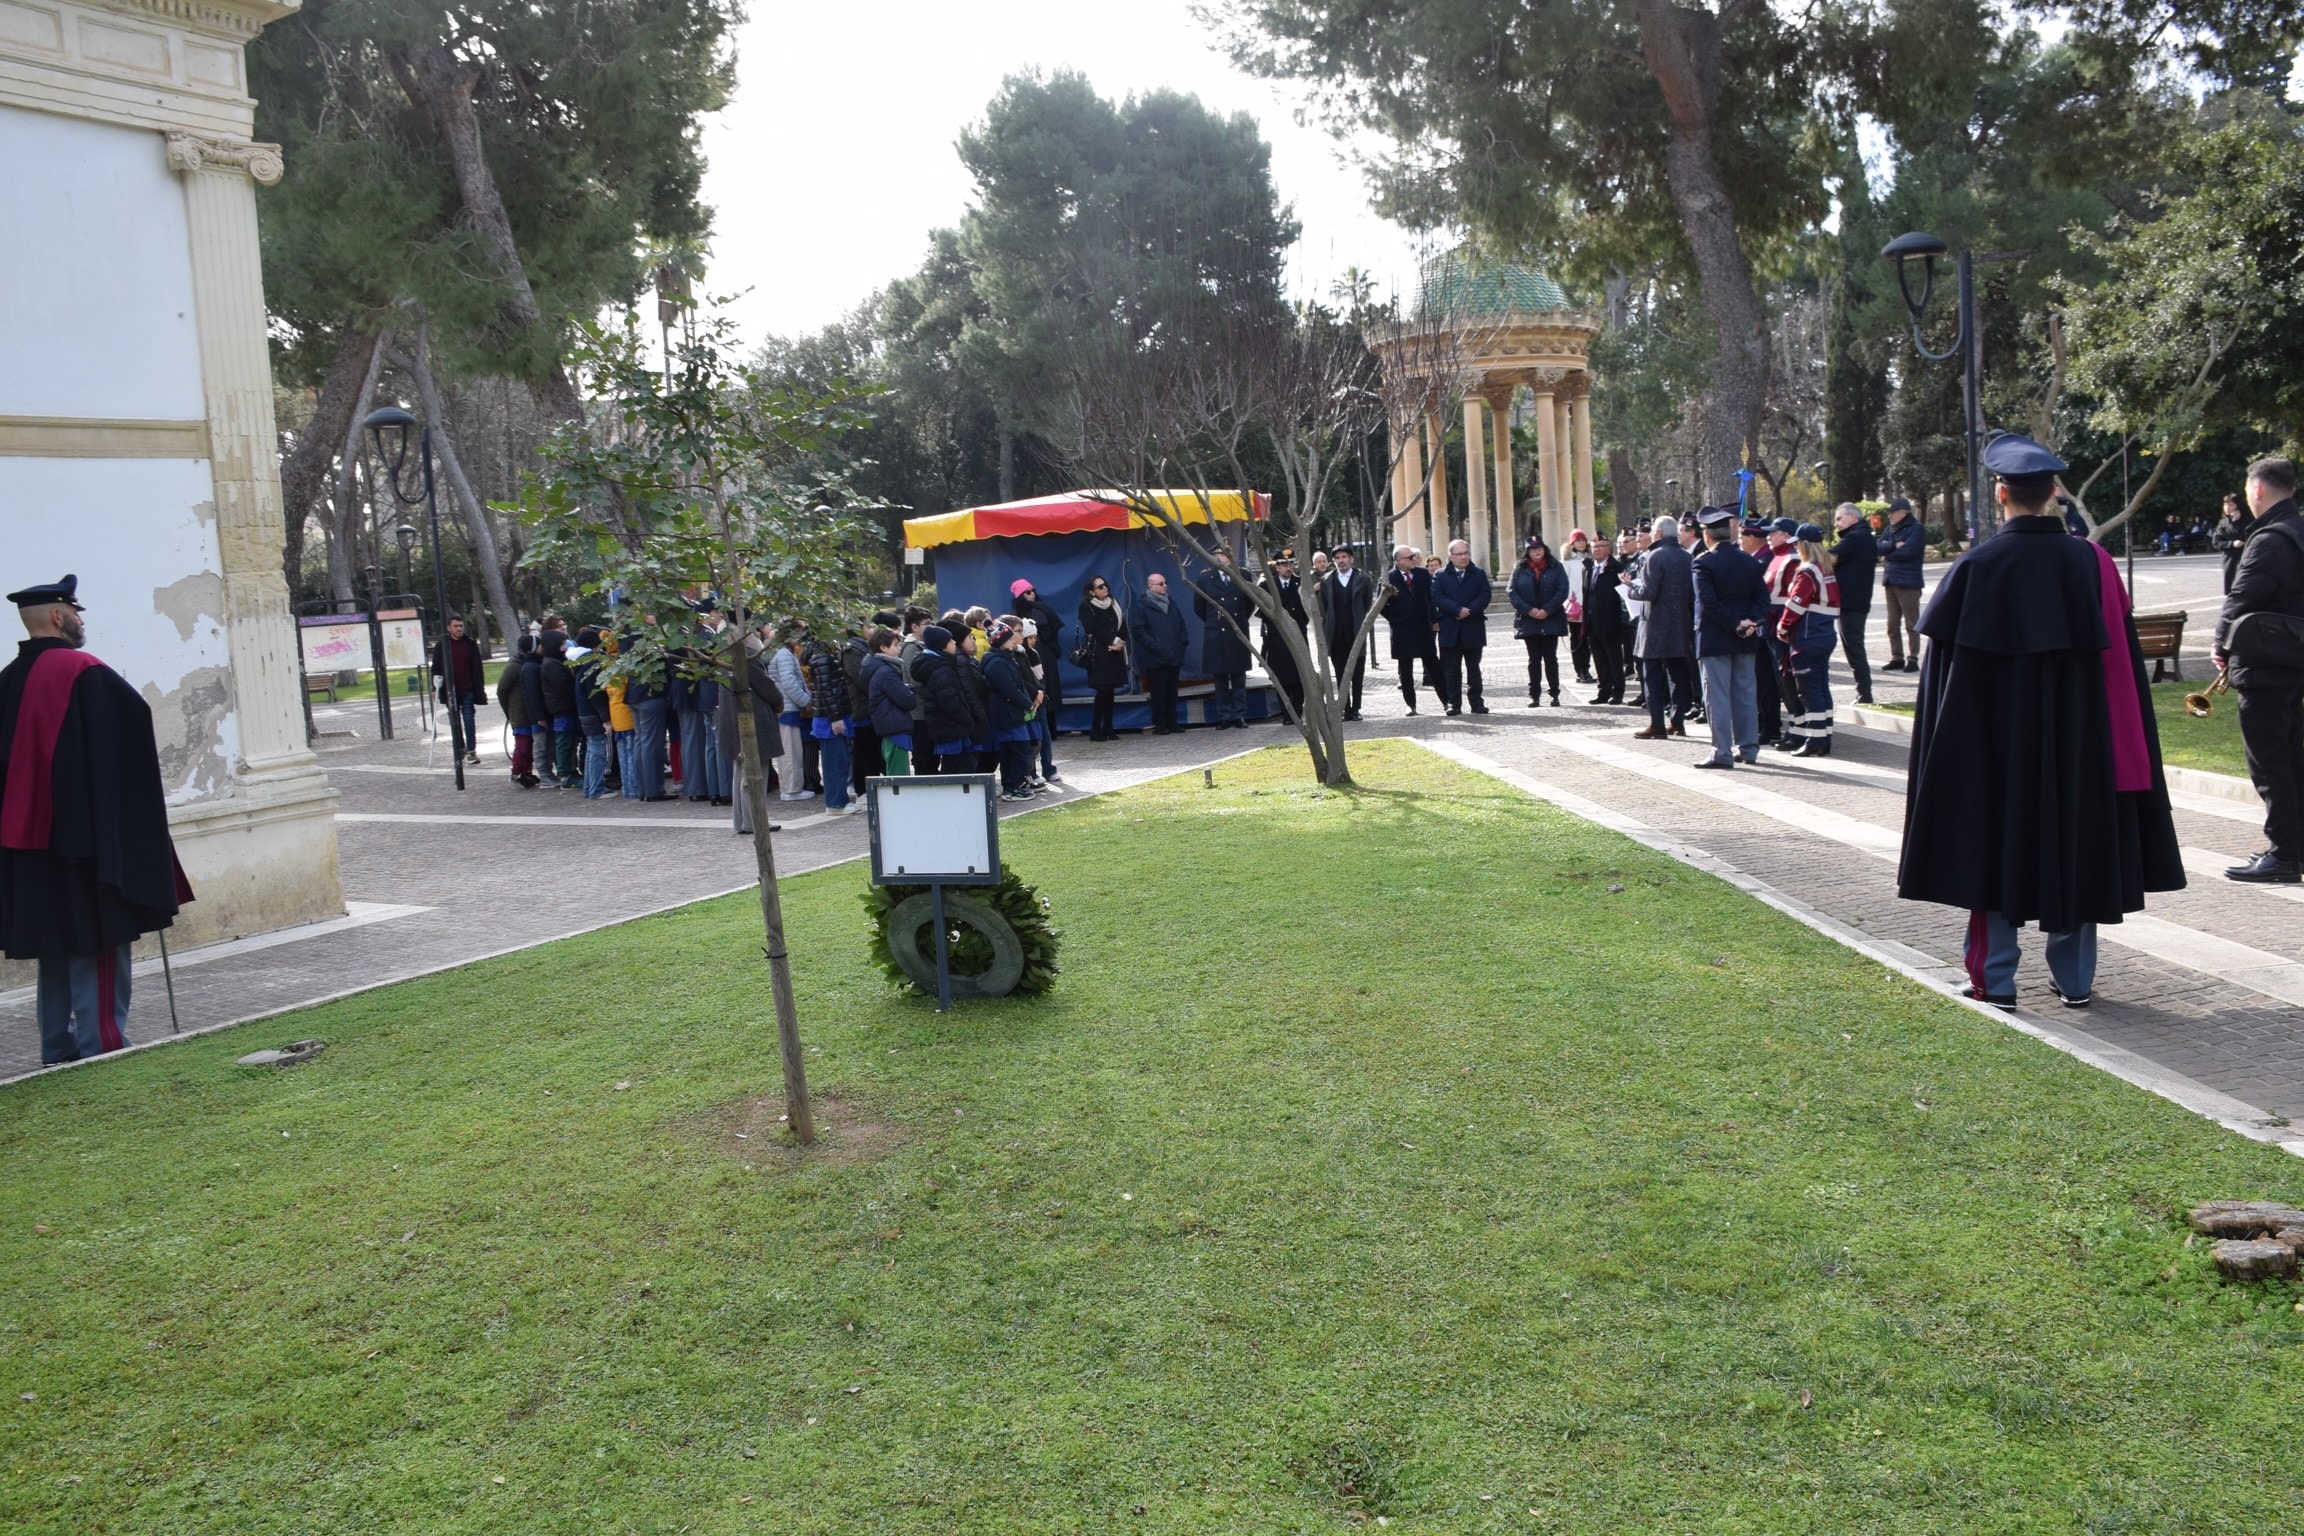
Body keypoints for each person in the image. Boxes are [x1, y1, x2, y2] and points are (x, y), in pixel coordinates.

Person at [1899, 433, 2183, 1009]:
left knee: (1993, 847)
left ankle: (1995, 980)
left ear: (2000, 494)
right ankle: (2074, 980)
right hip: (2079, 744)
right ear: (2054, 493)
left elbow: (1945, 686)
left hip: (1997, 752)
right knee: (2076, 841)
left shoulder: (1975, 567)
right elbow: (2120, 665)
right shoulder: (2093, 563)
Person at [0, 575, 191, 1065]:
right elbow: (126, 751)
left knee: (56, 945)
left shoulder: (6, 681)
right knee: (99, 942)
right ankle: (102, 1045)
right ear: (58, 616)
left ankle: (56, 1048)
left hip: (27, 847)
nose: (80, 622)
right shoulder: (84, 672)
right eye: (75, 613)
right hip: (84, 845)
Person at [2215, 457, 2304, 882]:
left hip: (2264, 663)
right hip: (2294, 659)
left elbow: (2241, 598)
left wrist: (2219, 644)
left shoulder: (2267, 539)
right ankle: (2294, 847)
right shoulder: (2298, 530)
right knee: (2291, 756)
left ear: (2257, 490)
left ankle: (2283, 854)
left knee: (2269, 763)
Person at [1690, 507, 1768, 768]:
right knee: (1745, 696)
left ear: (1707, 536)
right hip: (1745, 637)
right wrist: (1750, 622)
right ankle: (1748, 749)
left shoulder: (1703, 563)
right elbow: (1762, 598)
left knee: (1718, 698)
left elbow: (1708, 603)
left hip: (1715, 638)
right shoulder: (1749, 561)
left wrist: (1736, 624)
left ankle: (1721, 751)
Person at [1776, 522, 1842, 757]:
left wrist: (1783, 626)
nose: (1795, 549)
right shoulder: (1825, 568)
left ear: (1804, 545)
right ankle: (1823, 737)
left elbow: (1796, 603)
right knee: (1821, 688)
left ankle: (1815, 740)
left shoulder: (1807, 571)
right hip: (1824, 634)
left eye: (1797, 544)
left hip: (1807, 636)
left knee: (1809, 690)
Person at [1628, 514, 1694, 738]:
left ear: (1658, 533)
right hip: (1680, 624)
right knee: (1678, 676)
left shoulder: (1654, 556)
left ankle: (1656, 723)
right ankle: (1677, 721)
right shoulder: (1686, 556)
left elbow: (1649, 591)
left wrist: (1630, 588)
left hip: (1654, 626)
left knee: (1652, 676)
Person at [723, 622, 784, 834]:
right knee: (755, 772)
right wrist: (779, 702)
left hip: (734, 719)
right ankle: (754, 820)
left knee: (740, 771)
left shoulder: (724, 655)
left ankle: (743, 820)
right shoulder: (746, 655)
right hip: (753, 718)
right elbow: (765, 685)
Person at [982, 618, 1043, 799]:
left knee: (1012, 752)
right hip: (1007, 714)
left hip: (1011, 713)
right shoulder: (997, 663)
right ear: (1001, 641)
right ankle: (1014, 786)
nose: (1014, 640)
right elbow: (1010, 689)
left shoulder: (1007, 659)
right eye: (1009, 638)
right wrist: (1027, 704)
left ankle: (1011, 787)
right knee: (1021, 751)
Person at [1195, 545, 1254, 729]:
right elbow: (1199, 608)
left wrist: (1238, 622)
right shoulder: (1205, 578)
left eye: (1227, 553)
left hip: (1237, 632)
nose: (1225, 557)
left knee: (1239, 677)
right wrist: (1216, 622)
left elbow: (1249, 604)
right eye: (1221, 554)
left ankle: (1239, 714)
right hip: (1216, 633)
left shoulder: (1243, 575)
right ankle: (1224, 715)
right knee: (1220, 679)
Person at [1431, 539, 1492, 715]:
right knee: (1451, 670)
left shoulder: (1478, 574)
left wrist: (1469, 611)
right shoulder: (1440, 575)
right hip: (1450, 629)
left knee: (1474, 669)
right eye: (1459, 554)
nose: (1464, 557)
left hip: (1473, 627)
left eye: (1466, 553)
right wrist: (1457, 610)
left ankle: (1476, 702)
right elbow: (1437, 597)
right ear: (1450, 556)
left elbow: (1485, 595)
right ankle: (1453, 703)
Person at [1508, 534, 1569, 707]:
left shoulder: (1555, 566)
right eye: (1533, 549)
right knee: (1533, 659)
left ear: (1544, 549)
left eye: (1539, 548)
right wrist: (1530, 610)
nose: (1537, 551)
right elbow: (1512, 592)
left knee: (1551, 658)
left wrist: (1547, 610)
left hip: (1551, 618)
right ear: (1527, 551)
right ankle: (1534, 695)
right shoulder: (1519, 567)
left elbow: (1562, 589)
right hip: (1529, 620)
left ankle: (1554, 693)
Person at [1737, 518, 1782, 743]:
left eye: (1741, 537)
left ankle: (1770, 726)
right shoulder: (1757, 559)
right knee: (1760, 679)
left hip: (1765, 628)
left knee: (1766, 681)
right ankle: (1765, 722)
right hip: (1761, 628)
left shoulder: (1762, 561)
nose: (1739, 541)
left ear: (1752, 539)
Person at [1828, 502, 1878, 704]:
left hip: (1852, 602)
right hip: (1854, 601)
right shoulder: (1860, 536)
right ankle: (1864, 692)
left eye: (1839, 518)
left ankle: (1864, 693)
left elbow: (1827, 558)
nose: (1836, 523)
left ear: (1853, 517)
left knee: (1854, 649)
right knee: (1854, 648)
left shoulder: (1856, 538)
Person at [805, 632, 857, 814]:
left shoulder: (824, 655)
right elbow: (826, 690)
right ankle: (836, 803)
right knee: (835, 762)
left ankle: (838, 801)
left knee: (838, 760)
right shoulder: (823, 657)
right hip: (830, 717)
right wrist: (835, 717)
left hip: (832, 715)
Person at [1319, 545, 1374, 720]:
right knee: (1340, 672)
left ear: (1351, 559)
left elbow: (1367, 603)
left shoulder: (1363, 579)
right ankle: (1345, 708)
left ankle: (1356, 708)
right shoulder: (1327, 580)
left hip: (1356, 632)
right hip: (1336, 635)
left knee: (1357, 673)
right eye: (1337, 558)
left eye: (1344, 557)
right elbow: (1325, 606)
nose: (1341, 561)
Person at [1383, 545, 1439, 715]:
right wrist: (1396, 619)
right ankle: (1411, 705)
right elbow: (1382, 605)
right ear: (1399, 560)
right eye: (1410, 557)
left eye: (1414, 556)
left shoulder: (1422, 574)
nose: (1414, 559)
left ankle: (1448, 702)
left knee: (1434, 665)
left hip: (1423, 627)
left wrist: (1434, 619)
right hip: (1402, 630)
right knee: (1405, 669)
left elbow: (1431, 598)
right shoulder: (1389, 577)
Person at [1133, 571, 1189, 733]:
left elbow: (1181, 624)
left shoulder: (1171, 603)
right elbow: (1139, 631)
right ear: (1151, 586)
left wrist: (1182, 642)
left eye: (1165, 583)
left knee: (1172, 692)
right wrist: (1156, 646)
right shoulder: (1143, 606)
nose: (1165, 586)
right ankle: (1160, 724)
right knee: (1159, 692)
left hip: (1174, 654)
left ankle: (1172, 722)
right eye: (1160, 584)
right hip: (1156, 657)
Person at [1076, 576, 1129, 741]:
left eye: (1105, 585)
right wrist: (1112, 640)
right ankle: (1095, 728)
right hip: (1099, 653)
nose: (1104, 588)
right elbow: (1092, 628)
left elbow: (1121, 624)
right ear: (1091, 591)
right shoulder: (1086, 606)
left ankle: (1108, 727)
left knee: (1110, 690)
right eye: (1100, 587)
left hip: (1115, 651)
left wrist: (1120, 641)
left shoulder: (1113, 603)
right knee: (1102, 690)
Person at [860, 625, 917, 775]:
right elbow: (907, 700)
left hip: (889, 725)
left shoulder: (881, 669)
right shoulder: (886, 672)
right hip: (894, 726)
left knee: (895, 769)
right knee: (898, 774)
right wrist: (911, 692)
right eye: (896, 645)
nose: (899, 648)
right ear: (883, 648)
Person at [1877, 496, 1926, 671]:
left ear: (1903, 513)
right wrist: (1894, 545)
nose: (1890, 516)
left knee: (1911, 624)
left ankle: (1913, 658)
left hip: (1909, 583)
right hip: (1890, 581)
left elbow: (1908, 552)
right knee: (1892, 624)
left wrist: (1888, 552)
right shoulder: (1890, 529)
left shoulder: (1916, 529)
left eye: (1893, 512)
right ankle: (1897, 657)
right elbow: (1877, 548)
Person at [1259, 551, 1309, 719]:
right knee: (1281, 676)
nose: (1289, 568)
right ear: (1277, 567)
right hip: (1277, 636)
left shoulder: (1300, 583)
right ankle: (1287, 713)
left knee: (1299, 674)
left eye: (1291, 564)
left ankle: (1298, 709)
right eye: (1284, 565)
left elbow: (1307, 610)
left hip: (1297, 634)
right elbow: (1263, 611)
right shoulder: (1268, 585)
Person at [1579, 533, 1626, 704]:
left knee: (1614, 659)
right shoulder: (1588, 568)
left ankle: (1617, 692)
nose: (1597, 549)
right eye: (1594, 547)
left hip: (1610, 621)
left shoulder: (1617, 568)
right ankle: (1604, 691)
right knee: (1599, 659)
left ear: (1608, 548)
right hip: (1592, 621)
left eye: (1601, 546)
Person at [430, 615, 483, 763]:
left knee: (469, 719)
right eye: (456, 626)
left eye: (461, 626)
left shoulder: (470, 644)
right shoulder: (442, 646)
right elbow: (436, 668)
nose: (459, 629)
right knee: (455, 721)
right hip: (450, 691)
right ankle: (460, 747)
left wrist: (479, 686)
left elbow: (477, 667)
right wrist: (434, 688)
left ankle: (471, 751)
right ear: (449, 628)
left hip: (468, 689)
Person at [768, 627, 813, 801]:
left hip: (785, 707)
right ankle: (792, 789)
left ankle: (790, 787)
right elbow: (790, 682)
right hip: (788, 708)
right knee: (791, 751)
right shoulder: (784, 655)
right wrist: (806, 701)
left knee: (790, 750)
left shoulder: (780, 652)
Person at [535, 629, 580, 789]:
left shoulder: (554, 662)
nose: (565, 647)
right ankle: (565, 774)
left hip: (564, 707)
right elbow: (563, 687)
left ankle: (570, 771)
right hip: (562, 708)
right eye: (561, 644)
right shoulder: (551, 664)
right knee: (564, 742)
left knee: (569, 742)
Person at [498, 635, 537, 788]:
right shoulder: (515, 666)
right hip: (519, 712)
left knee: (529, 744)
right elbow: (502, 689)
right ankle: (517, 773)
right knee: (522, 744)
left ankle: (526, 771)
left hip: (527, 711)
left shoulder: (525, 664)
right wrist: (509, 710)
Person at [1561, 530, 1594, 684]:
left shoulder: (1591, 559)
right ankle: (1580, 669)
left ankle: (1586, 667)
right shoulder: (1567, 561)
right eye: (1578, 540)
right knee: (1577, 638)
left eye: (1583, 540)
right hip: (1575, 605)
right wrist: (1570, 600)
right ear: (1572, 543)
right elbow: (1564, 583)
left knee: (1588, 639)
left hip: (1590, 604)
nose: (1581, 543)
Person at [2215, 492, 2255, 596]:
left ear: (2238, 506)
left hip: (2245, 558)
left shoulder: (2248, 520)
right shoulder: (2223, 523)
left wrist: (2236, 523)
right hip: (2229, 560)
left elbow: (2250, 537)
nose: (2227, 508)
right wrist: (2231, 544)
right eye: (2225, 505)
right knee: (2230, 590)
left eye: (2231, 505)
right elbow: (2216, 542)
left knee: (2243, 587)